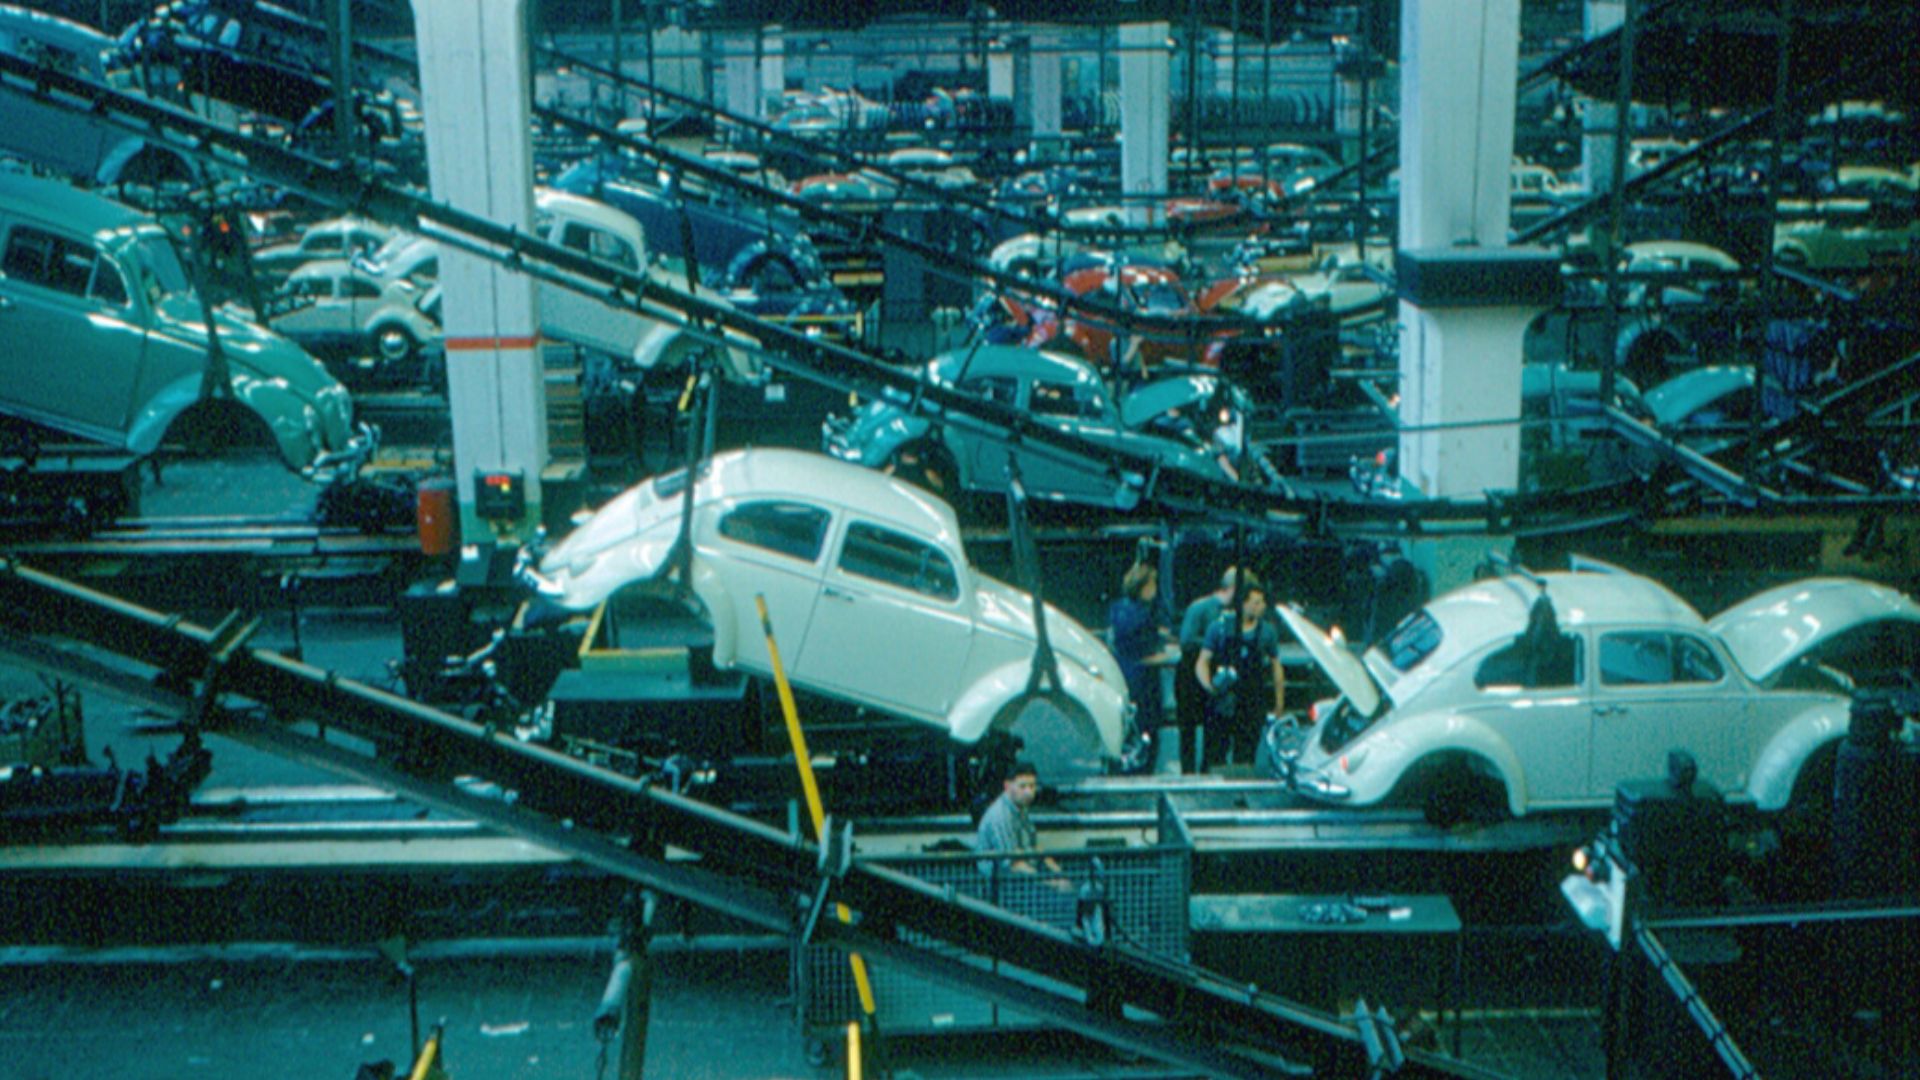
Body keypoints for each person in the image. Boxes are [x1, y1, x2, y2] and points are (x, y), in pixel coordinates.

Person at [1194, 583, 1286, 771]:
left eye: (1261, 603)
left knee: (1245, 755)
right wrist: (1209, 686)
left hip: (1251, 702)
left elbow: (1277, 668)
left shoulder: (1267, 632)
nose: (1260, 607)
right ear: (1242, 604)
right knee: (1214, 754)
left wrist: (1279, 702)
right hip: (1222, 701)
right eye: (1255, 603)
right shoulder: (1218, 628)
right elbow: (1202, 661)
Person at [1175, 566, 1258, 773]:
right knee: (1188, 730)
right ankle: (1187, 772)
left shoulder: (1236, 614)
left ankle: (1208, 770)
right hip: (1190, 676)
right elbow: (1186, 640)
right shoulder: (1200, 608)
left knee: (1214, 730)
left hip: (1217, 674)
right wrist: (1214, 642)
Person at [973, 760, 1065, 886]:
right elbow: (1012, 864)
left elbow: (1034, 848)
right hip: (1002, 886)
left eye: (1032, 786)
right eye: (1022, 786)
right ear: (1007, 786)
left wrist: (1060, 873)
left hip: (1025, 875)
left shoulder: (1020, 808)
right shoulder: (1000, 816)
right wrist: (1050, 883)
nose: (1028, 792)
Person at [1107, 561, 1168, 736]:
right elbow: (1140, 646)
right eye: (1153, 584)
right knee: (1146, 725)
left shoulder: (1118, 607)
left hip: (1126, 672)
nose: (1155, 589)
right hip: (1141, 676)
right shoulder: (1141, 614)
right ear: (1143, 586)